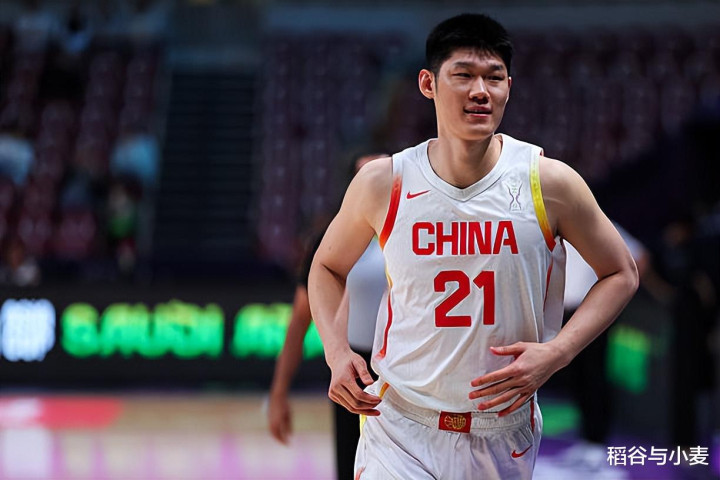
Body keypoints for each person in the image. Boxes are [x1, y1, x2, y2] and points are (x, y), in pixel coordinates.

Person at [308, 13, 639, 479]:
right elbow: (326, 267)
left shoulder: (549, 182)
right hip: (399, 427)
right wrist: (336, 352)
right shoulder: (385, 181)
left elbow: (622, 272)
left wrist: (559, 351)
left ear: (509, 87)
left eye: (494, 78)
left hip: (501, 433)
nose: (480, 90)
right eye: (463, 75)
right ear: (428, 83)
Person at [267, 153, 387, 480]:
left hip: (407, 365)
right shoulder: (330, 243)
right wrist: (279, 393)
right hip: (354, 366)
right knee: (351, 467)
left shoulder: (414, 233)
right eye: (367, 176)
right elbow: (299, 322)